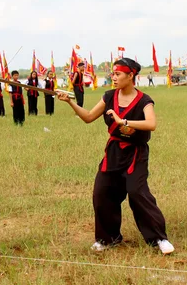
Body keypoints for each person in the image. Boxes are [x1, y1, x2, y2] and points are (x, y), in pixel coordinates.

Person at [57, 58, 174, 255]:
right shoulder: (109, 96)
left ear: (130, 76)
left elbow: (151, 124)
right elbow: (87, 117)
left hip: (136, 153)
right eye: (113, 73)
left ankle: (159, 238)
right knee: (101, 193)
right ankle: (108, 238)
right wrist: (69, 102)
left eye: (118, 74)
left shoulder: (144, 101)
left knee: (137, 192)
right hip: (113, 152)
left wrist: (124, 121)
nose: (114, 77)